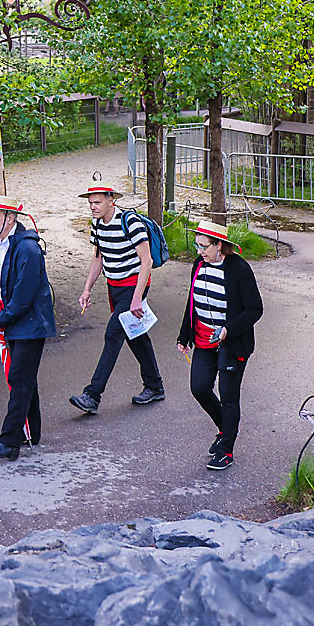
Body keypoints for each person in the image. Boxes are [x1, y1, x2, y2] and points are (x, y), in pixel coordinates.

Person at [69, 181, 164, 415]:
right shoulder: (97, 225)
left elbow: (147, 261)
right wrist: (87, 289)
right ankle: (154, 386)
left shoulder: (129, 222)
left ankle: (92, 395)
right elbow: (98, 258)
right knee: (135, 334)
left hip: (134, 285)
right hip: (115, 287)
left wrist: (136, 298)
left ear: (112, 200)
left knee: (113, 334)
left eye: (97, 202)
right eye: (90, 203)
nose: (93, 207)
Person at [176, 220, 264, 471]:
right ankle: (225, 428)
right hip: (203, 338)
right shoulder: (199, 264)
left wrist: (228, 329)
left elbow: (255, 309)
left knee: (228, 396)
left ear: (219, 245)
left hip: (232, 344)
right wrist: (184, 335)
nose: (199, 251)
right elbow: (191, 301)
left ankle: (226, 449)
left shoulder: (239, 269)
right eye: (197, 246)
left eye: (204, 246)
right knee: (200, 388)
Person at [0, 195, 56, 461]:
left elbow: (24, 296)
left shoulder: (28, 249)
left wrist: (0, 319)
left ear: (10, 219)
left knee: (19, 379)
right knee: (25, 378)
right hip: (13, 319)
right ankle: (30, 432)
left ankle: (9, 441)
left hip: (31, 323)